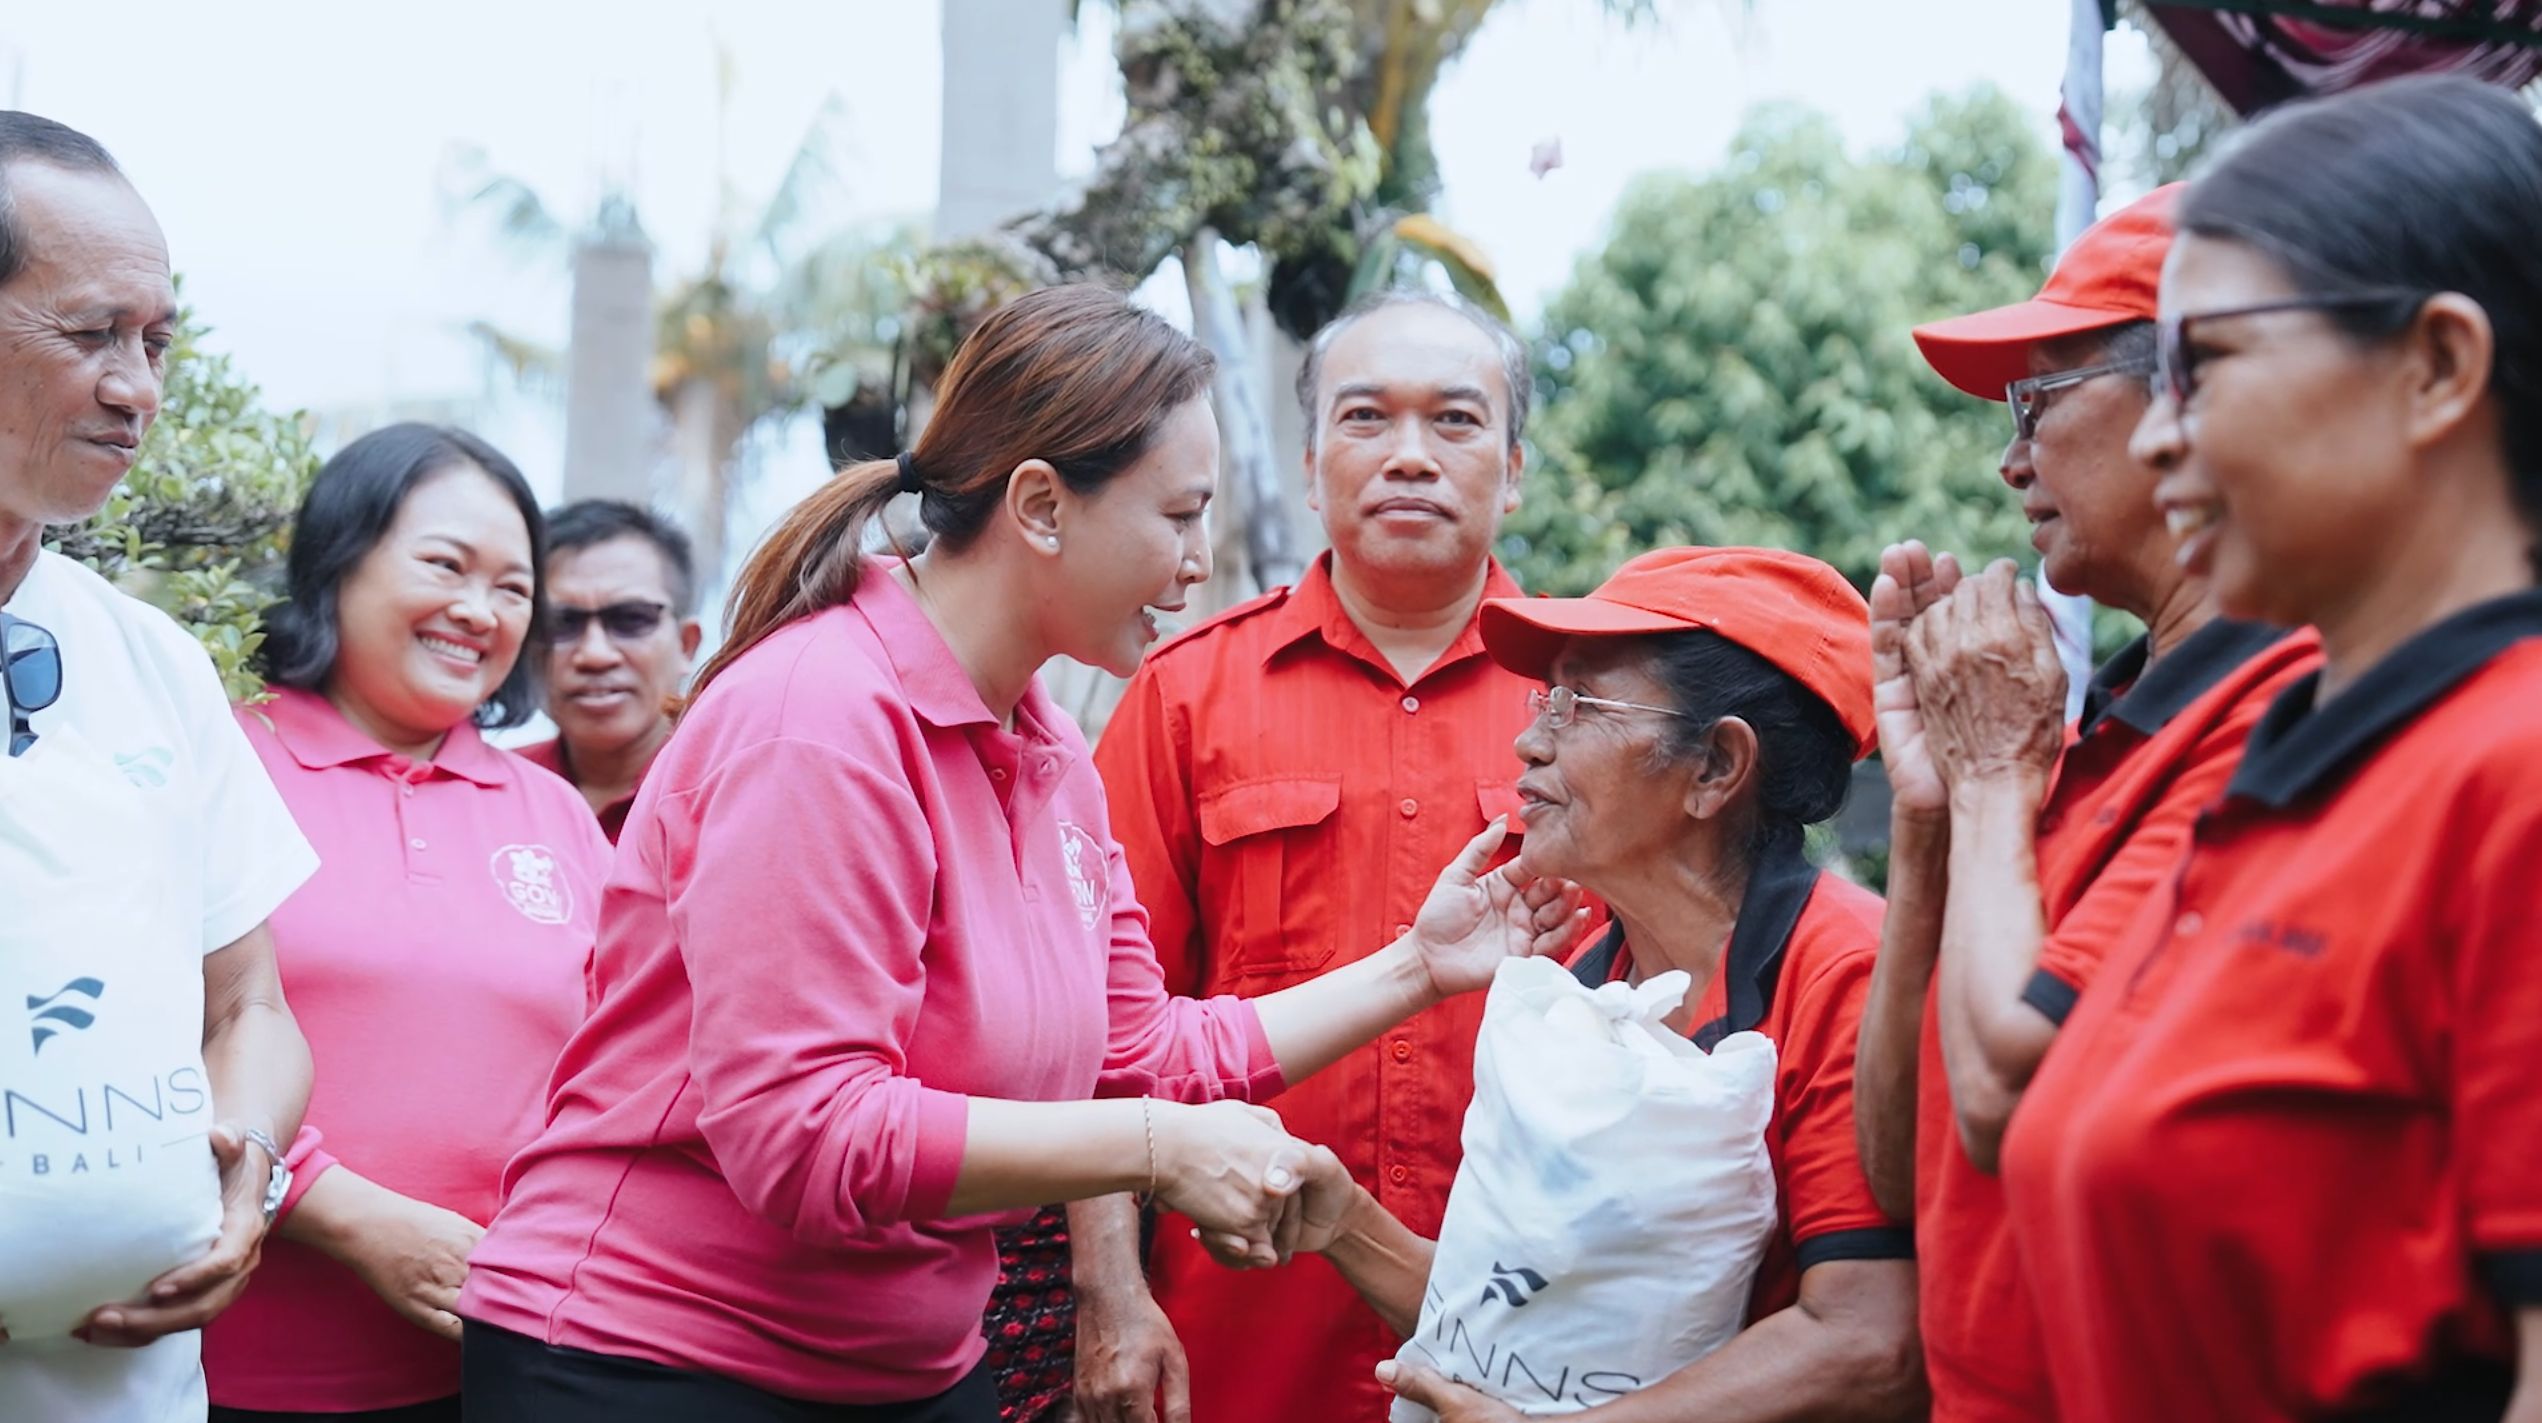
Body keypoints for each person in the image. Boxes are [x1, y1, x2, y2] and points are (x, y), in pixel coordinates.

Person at [456, 283, 1587, 1423]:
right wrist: (1159, 1150)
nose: (1200, 562)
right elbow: (805, 1137)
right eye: (1179, 516)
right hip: (657, 1362)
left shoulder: (1043, 743)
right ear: (1042, 507)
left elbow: (1134, 1051)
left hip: (901, 1363)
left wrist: (1416, 966)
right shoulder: (822, 715)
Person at [2000, 75, 2542, 1422]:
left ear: (2435, 367)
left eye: (2207, 363)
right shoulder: (2285, 766)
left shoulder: (2510, 775)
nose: (2160, 429)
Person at [1848, 186, 2320, 1422]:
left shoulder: (2286, 710)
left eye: (2037, 401)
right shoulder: (2085, 732)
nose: (2009, 459)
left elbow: (2019, 1103)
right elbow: (1902, 1175)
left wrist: (1996, 779)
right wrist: (1931, 814)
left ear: (2193, 398)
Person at [1263, 547, 1925, 1423]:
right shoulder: (1591, 980)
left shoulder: (1843, 970)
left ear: (1717, 768)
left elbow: (1867, 1340)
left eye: (1578, 706)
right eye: (1546, 700)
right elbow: (1524, 1318)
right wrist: (1343, 1222)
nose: (1529, 739)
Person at [1079, 289, 1550, 1423]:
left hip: (1532, 1322)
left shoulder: (1594, 703)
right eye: (1364, 419)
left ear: (1515, 466)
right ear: (1304, 463)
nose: (1408, 456)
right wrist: (1109, 1290)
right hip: (1237, 1325)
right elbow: (1093, 1029)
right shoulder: (1183, 693)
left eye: (1453, 420)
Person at [0, 111, 317, 1423]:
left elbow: (250, 1008)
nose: (139, 386)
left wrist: (246, 1177)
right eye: (90, 334)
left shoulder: (154, 663)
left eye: (158, 339)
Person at [199, 424, 613, 1422]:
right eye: (444, 565)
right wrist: (338, 1210)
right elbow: (139, 1031)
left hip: (500, 1365)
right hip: (235, 1368)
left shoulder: (550, 807)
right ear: (338, 560)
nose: (478, 610)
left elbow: (618, 1057)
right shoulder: (221, 757)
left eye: (513, 588)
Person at [518, 499, 702, 842]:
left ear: (686, 644)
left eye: (631, 619)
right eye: (561, 624)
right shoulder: (489, 794)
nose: (595, 655)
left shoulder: (722, 792)